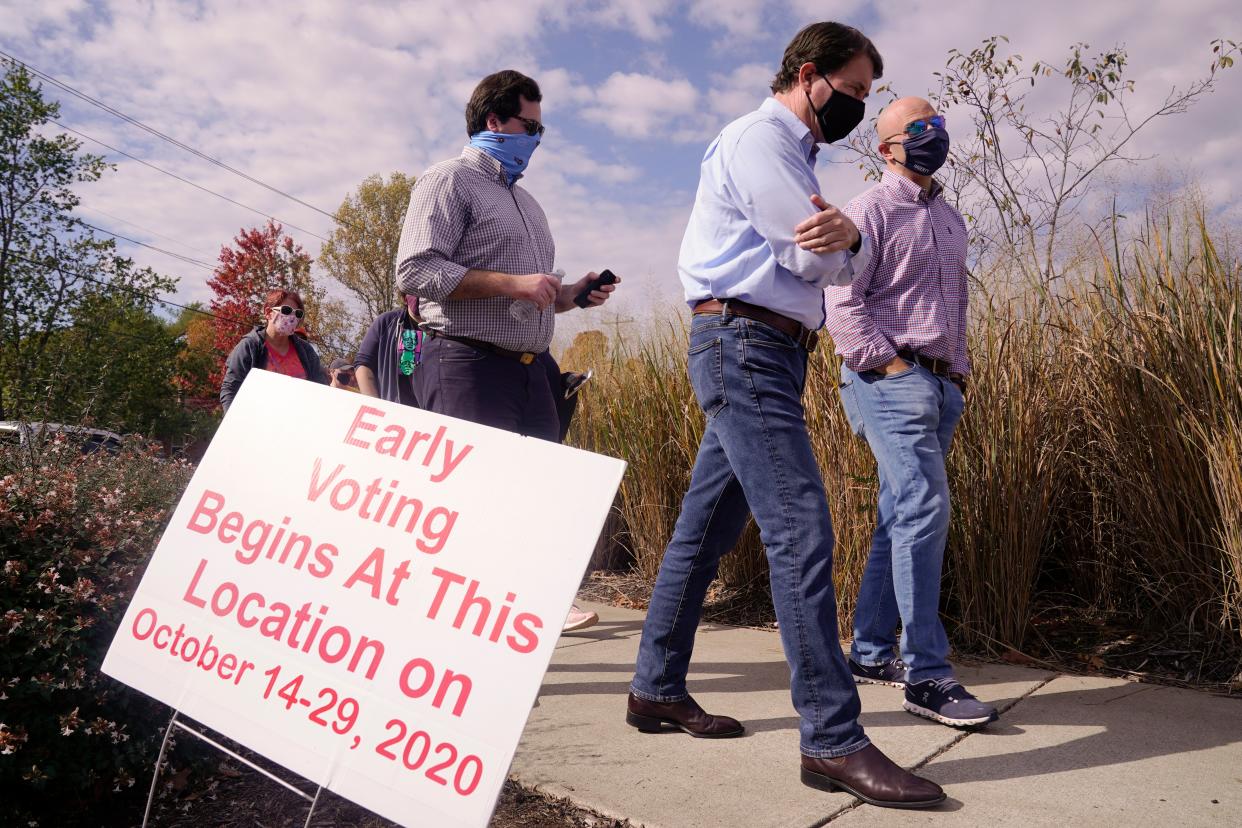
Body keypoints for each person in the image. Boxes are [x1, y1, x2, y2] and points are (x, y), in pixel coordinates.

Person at [627, 22, 944, 810]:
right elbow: (813, 257)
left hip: (764, 347)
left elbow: (839, 252)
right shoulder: (761, 142)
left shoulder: (793, 155)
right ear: (811, 75)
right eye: (856, 91)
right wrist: (849, 240)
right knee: (801, 529)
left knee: (701, 532)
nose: (859, 108)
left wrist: (849, 240)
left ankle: (653, 688)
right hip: (743, 343)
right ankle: (833, 741)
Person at [395, 69, 619, 633]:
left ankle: (530, 610)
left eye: (541, 129)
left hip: (529, 369)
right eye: (529, 126)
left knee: (536, 500)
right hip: (466, 363)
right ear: (493, 121)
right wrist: (511, 283)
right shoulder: (447, 181)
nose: (536, 139)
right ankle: (444, 634)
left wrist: (571, 295)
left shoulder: (529, 205)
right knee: (474, 506)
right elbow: (415, 269)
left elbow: (536, 298)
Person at [821, 97, 996, 730]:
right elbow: (841, 296)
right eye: (918, 128)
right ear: (886, 146)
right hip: (889, 378)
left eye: (939, 125)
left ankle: (870, 653)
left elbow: (959, 303)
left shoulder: (951, 219)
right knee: (924, 504)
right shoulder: (869, 209)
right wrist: (888, 366)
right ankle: (927, 676)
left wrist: (959, 375)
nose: (933, 135)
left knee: (900, 516)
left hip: (942, 384)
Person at [220, 289, 327, 411]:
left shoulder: (306, 351)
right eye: (286, 311)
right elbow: (230, 389)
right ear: (268, 312)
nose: (292, 318)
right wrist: (234, 422)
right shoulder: (250, 346)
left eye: (297, 314)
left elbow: (321, 389)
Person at [354, 295, 422, 407]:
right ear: (404, 297)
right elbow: (363, 365)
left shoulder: (445, 330)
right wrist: (375, 408)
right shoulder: (387, 322)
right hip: (393, 414)